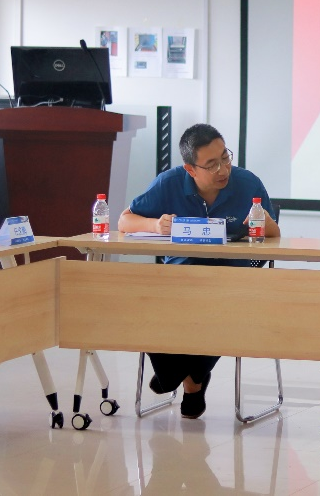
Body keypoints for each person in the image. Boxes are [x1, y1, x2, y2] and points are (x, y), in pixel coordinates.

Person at [116, 123, 279, 419]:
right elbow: (124, 222)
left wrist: (266, 224)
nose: (223, 169)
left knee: (218, 308)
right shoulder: (169, 183)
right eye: (211, 164)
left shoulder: (248, 183)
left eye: (225, 157)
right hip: (179, 280)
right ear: (190, 169)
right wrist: (154, 225)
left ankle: (183, 376)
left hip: (232, 281)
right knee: (145, 302)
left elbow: (274, 236)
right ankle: (186, 375)